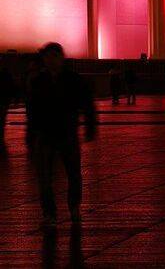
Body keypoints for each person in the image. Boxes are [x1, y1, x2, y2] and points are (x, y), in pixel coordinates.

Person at [26, 43, 97, 231]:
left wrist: (90, 126)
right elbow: (32, 110)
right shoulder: (38, 81)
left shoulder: (73, 80)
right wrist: (31, 134)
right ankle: (49, 213)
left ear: (61, 58)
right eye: (47, 57)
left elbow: (87, 104)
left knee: (73, 174)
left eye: (54, 56)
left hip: (66, 133)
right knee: (44, 177)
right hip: (46, 134)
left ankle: (73, 207)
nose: (50, 60)